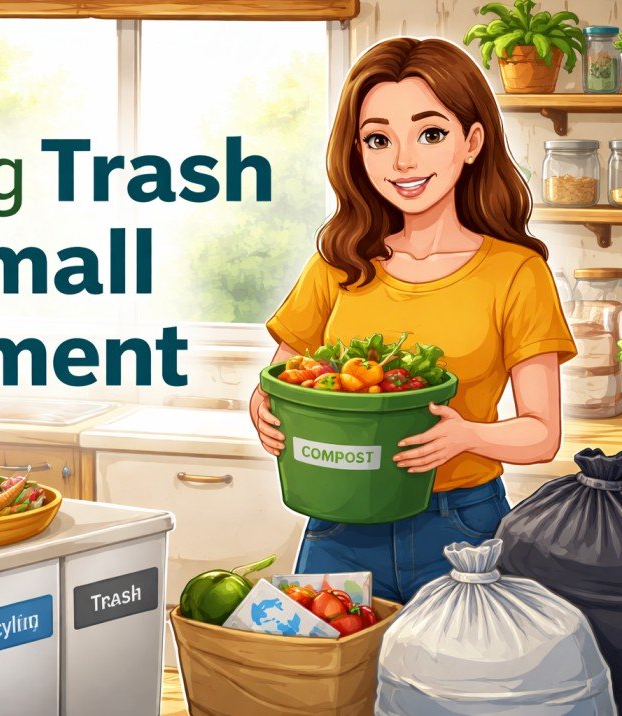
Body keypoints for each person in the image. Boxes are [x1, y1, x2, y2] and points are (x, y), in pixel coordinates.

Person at [250, 37, 577, 604]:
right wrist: (263, 408)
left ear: (472, 141)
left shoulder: (516, 273)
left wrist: (467, 435)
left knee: (455, 688)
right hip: (338, 524)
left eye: (431, 134)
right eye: (379, 140)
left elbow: (542, 434)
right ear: (357, 151)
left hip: (463, 527)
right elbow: (282, 382)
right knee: (324, 688)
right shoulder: (340, 262)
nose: (403, 161)